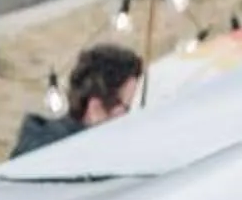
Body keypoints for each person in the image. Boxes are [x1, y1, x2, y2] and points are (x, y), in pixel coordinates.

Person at [8, 40, 144, 157]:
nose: (131, 118)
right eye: (127, 108)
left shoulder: (42, 144)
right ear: (95, 110)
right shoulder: (72, 162)